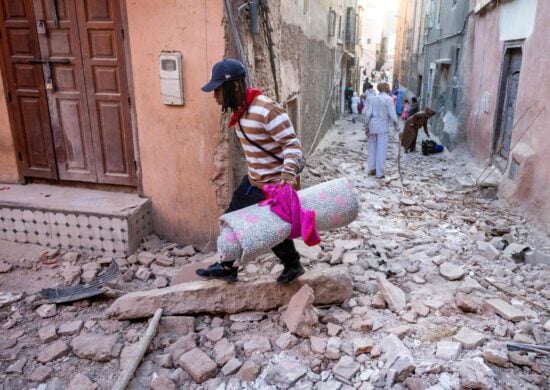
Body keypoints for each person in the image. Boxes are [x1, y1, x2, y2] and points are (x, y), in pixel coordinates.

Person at [197, 59, 305, 284]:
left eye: (218, 90)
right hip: (253, 180)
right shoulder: (241, 111)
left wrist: (287, 176)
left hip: (274, 185)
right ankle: (228, 266)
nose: (215, 97)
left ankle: (293, 265)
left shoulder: (267, 110)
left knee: (273, 231)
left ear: (234, 86)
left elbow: (292, 146)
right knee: (231, 219)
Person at [364, 82, 399, 178]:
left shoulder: (373, 99)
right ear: (384, 88)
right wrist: (398, 128)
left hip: (372, 126)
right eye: (388, 86)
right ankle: (379, 173)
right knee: (381, 150)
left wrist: (366, 127)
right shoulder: (388, 99)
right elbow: (392, 115)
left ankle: (372, 169)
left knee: (372, 149)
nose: (389, 87)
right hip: (382, 128)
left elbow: (368, 114)